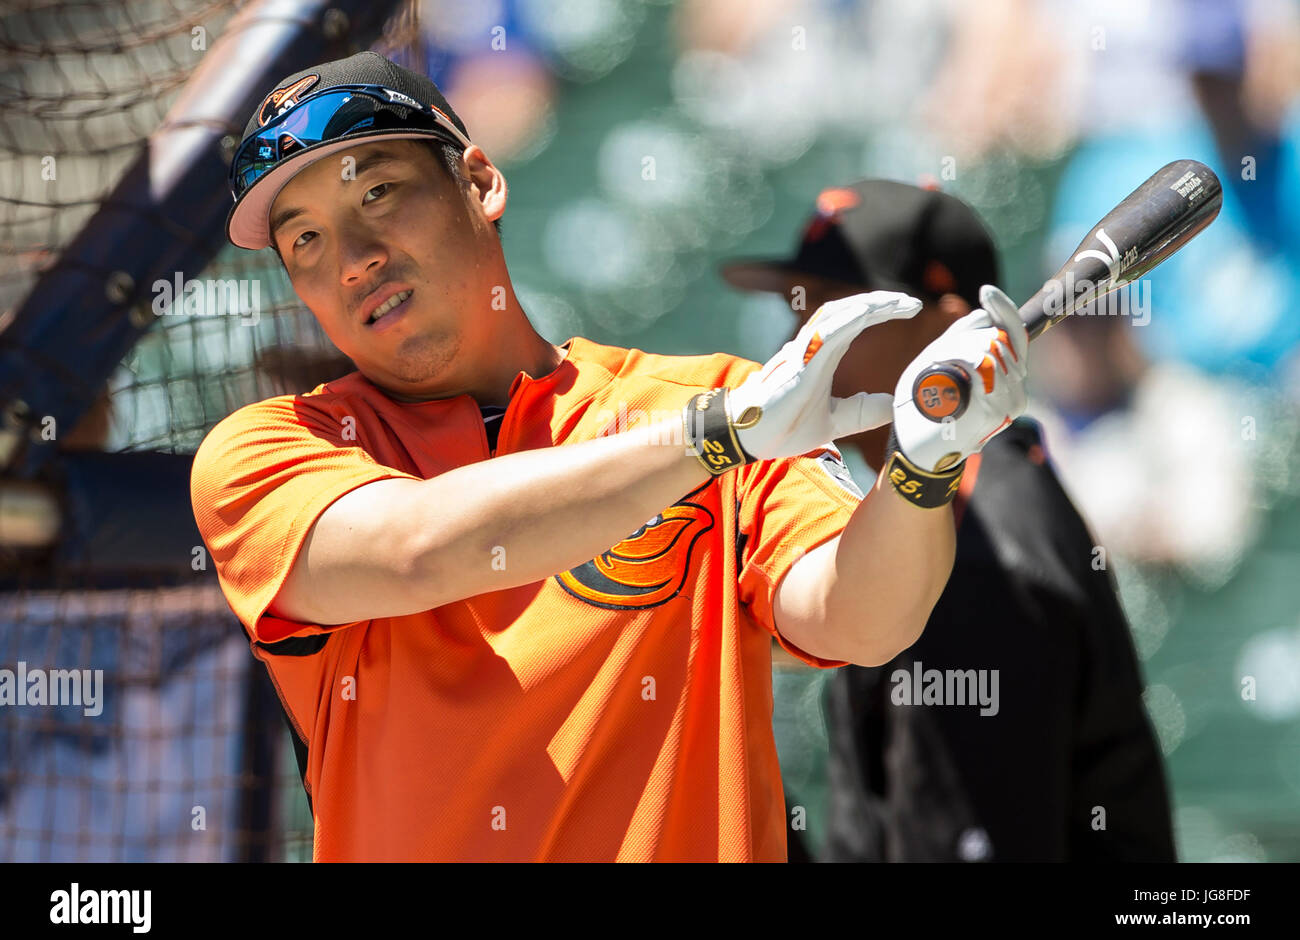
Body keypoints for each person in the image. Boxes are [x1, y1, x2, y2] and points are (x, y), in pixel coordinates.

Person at [190, 53, 1029, 861]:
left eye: (378, 191)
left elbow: (862, 618)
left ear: (480, 184)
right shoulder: (265, 452)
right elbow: (417, 549)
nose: (354, 257)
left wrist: (922, 471)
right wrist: (711, 438)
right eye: (305, 241)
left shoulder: (711, 402)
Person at [722, 179, 1177, 861]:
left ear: (949, 327)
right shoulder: (953, 502)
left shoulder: (979, 554)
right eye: (800, 313)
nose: (798, 345)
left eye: (832, 311)